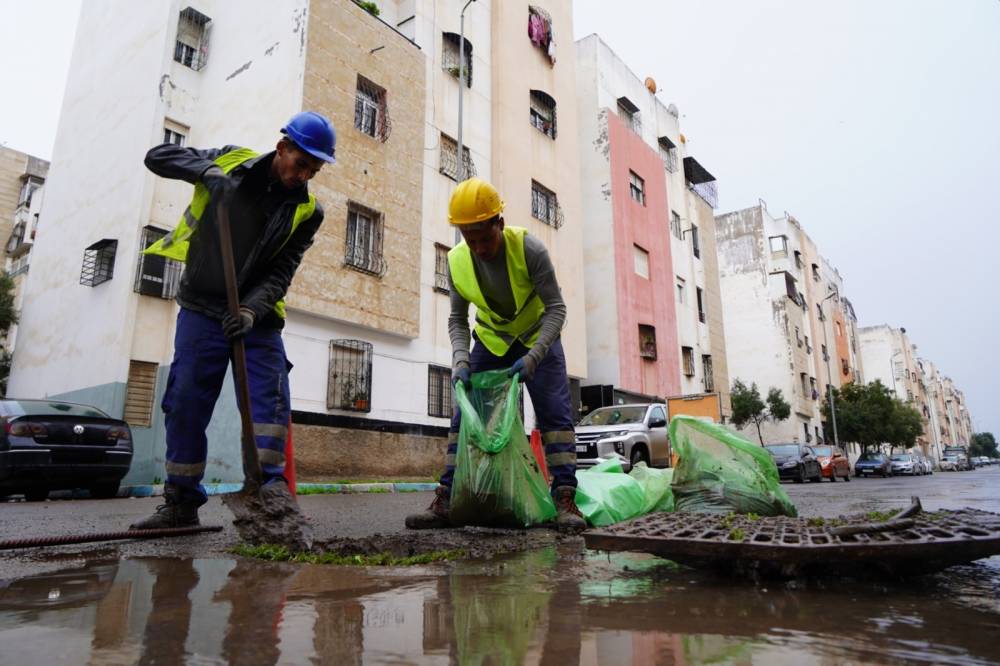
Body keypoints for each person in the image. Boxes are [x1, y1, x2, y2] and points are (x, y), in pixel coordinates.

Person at [130, 111, 335, 529]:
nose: (304, 175)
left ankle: (269, 495)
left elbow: (282, 271)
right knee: (186, 399)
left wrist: (250, 310)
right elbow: (157, 155)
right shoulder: (230, 161)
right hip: (202, 305)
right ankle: (181, 502)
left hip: (257, 318)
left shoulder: (308, 211)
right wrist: (206, 171)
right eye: (301, 164)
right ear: (282, 148)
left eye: (314, 169)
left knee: (268, 403)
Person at [406, 177, 586, 532]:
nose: (479, 248)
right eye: (470, 240)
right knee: (466, 413)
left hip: (538, 337)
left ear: (499, 224)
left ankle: (565, 498)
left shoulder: (529, 250)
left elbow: (557, 309)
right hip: (490, 341)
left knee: (555, 416)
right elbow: (457, 319)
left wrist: (534, 356)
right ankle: (448, 496)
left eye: (485, 238)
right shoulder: (458, 262)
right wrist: (460, 360)